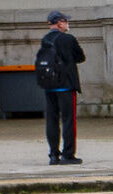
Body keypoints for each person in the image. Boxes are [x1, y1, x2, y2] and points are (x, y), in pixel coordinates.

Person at [34, 10, 83, 165]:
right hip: (66, 85)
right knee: (69, 120)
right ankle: (68, 154)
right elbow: (80, 57)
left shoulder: (45, 39)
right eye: (66, 21)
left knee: (52, 120)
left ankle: (53, 154)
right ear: (60, 23)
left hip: (49, 85)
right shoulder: (68, 39)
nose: (67, 24)